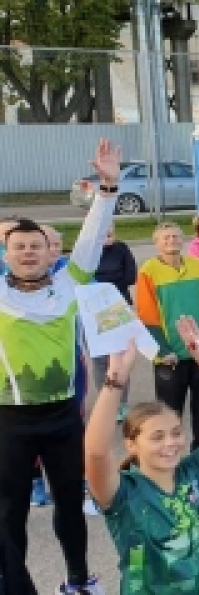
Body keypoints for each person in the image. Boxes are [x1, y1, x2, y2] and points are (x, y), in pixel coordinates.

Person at [0, 139, 116, 595]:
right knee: (9, 512)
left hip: (63, 416)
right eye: (19, 246)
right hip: (9, 420)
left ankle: (77, 580)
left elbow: (91, 238)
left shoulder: (70, 282)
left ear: (50, 252)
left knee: (70, 506)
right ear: (5, 253)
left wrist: (108, 188)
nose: (28, 252)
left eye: (36, 245)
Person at [84, 316, 199, 595]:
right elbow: (96, 453)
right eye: (157, 437)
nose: (171, 443)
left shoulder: (194, 472)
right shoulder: (123, 493)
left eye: (175, 433)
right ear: (131, 445)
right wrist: (115, 382)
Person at [136, 221, 199, 448]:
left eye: (176, 236)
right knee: (169, 415)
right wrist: (162, 349)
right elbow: (146, 315)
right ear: (157, 243)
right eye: (166, 237)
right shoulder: (148, 271)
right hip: (169, 355)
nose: (172, 240)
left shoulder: (197, 265)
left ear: (183, 240)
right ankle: (170, 459)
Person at [93, 227, 138, 411]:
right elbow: (83, 279)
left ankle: (122, 403)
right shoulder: (88, 252)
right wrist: (112, 280)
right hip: (94, 309)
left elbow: (131, 276)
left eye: (109, 227)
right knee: (100, 359)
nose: (106, 231)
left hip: (120, 307)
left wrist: (102, 281)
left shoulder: (122, 248)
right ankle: (105, 402)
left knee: (121, 356)